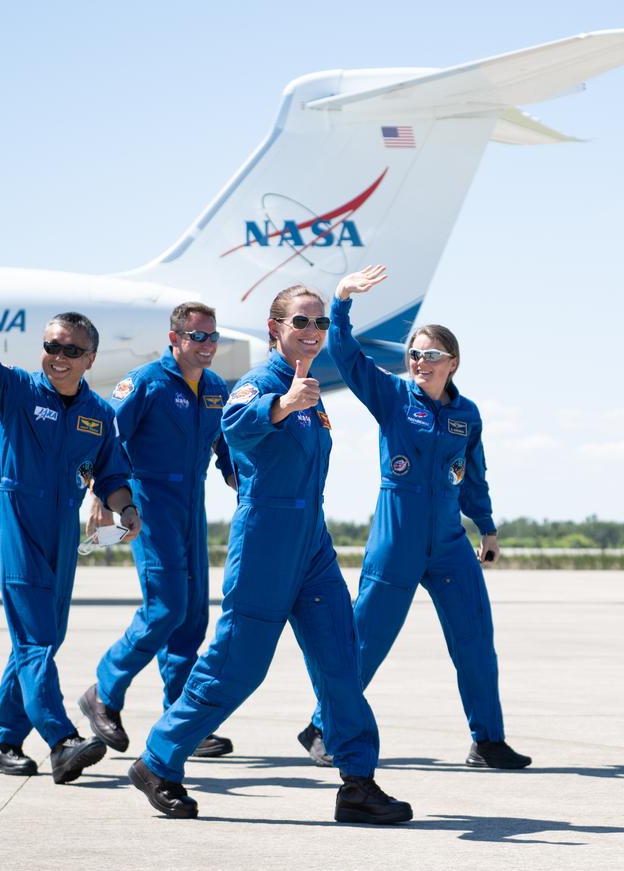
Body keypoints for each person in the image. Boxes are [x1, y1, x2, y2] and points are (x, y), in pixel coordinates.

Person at [128, 283, 412, 824]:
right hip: (265, 539)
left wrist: (300, 396)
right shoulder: (260, 384)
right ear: (275, 329)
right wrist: (280, 406)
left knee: (340, 659)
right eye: (300, 323)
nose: (311, 333)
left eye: (320, 325)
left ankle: (357, 782)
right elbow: (234, 425)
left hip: (312, 541)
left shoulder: (314, 391)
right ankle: (158, 760)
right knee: (239, 665)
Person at [299, 265, 531, 770]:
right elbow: (347, 355)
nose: (420, 362)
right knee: (364, 643)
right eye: (414, 354)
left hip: (448, 543)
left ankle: (487, 740)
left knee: (475, 641)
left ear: (453, 362)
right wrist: (341, 301)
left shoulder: (466, 414)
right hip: (396, 541)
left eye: (430, 355)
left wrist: (486, 528)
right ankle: (322, 725)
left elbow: (474, 476)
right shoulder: (393, 397)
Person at [0, 261, 140, 784]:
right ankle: (61, 740)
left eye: (71, 350)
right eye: (52, 346)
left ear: (90, 358)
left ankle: (2, 740)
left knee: (43, 639)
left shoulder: (99, 413)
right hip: (18, 521)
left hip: (62, 529)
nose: (58, 357)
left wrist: (125, 509)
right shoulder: (16, 390)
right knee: (34, 638)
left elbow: (112, 473)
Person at [78, 302, 235, 760]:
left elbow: (225, 451)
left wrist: (242, 482)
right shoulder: (146, 382)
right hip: (148, 505)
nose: (206, 345)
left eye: (212, 337)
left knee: (192, 617)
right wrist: (99, 497)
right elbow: (105, 439)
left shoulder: (215, 390)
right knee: (165, 608)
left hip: (192, 504)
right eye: (197, 337)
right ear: (175, 339)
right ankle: (104, 692)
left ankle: (181, 720)